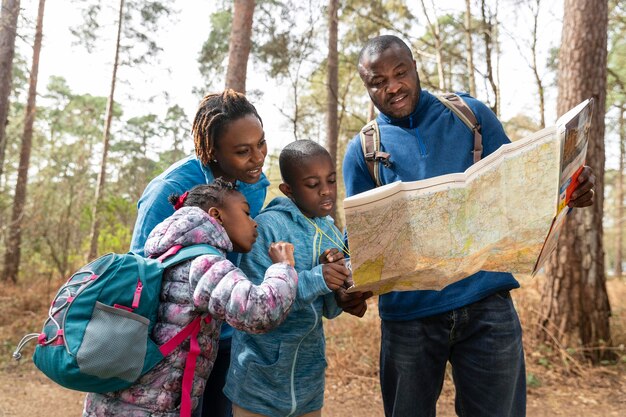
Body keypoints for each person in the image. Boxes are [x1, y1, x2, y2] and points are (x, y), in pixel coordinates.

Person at [341, 35, 596, 417]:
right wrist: (348, 279)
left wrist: (569, 195)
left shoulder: (470, 115)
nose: (392, 87)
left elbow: (520, 193)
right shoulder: (361, 151)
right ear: (367, 87)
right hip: (408, 317)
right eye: (377, 81)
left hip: (486, 303)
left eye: (400, 73)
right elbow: (358, 242)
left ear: (414, 68)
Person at [84, 180, 299, 417]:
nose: (254, 222)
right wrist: (283, 267)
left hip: (111, 403)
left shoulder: (165, 253)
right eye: (246, 213)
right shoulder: (203, 263)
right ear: (216, 215)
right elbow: (259, 312)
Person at [130, 89, 269, 417]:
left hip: (225, 336)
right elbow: (141, 266)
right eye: (242, 151)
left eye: (261, 143)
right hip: (172, 343)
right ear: (212, 152)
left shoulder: (254, 183)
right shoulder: (170, 189)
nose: (258, 158)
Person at [224, 140, 359, 417]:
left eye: (331, 181)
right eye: (312, 184)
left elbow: (327, 311)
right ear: (289, 190)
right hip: (258, 381)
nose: (325, 191)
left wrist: (343, 295)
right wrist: (318, 278)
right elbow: (257, 306)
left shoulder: (332, 232)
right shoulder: (268, 228)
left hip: (308, 381)